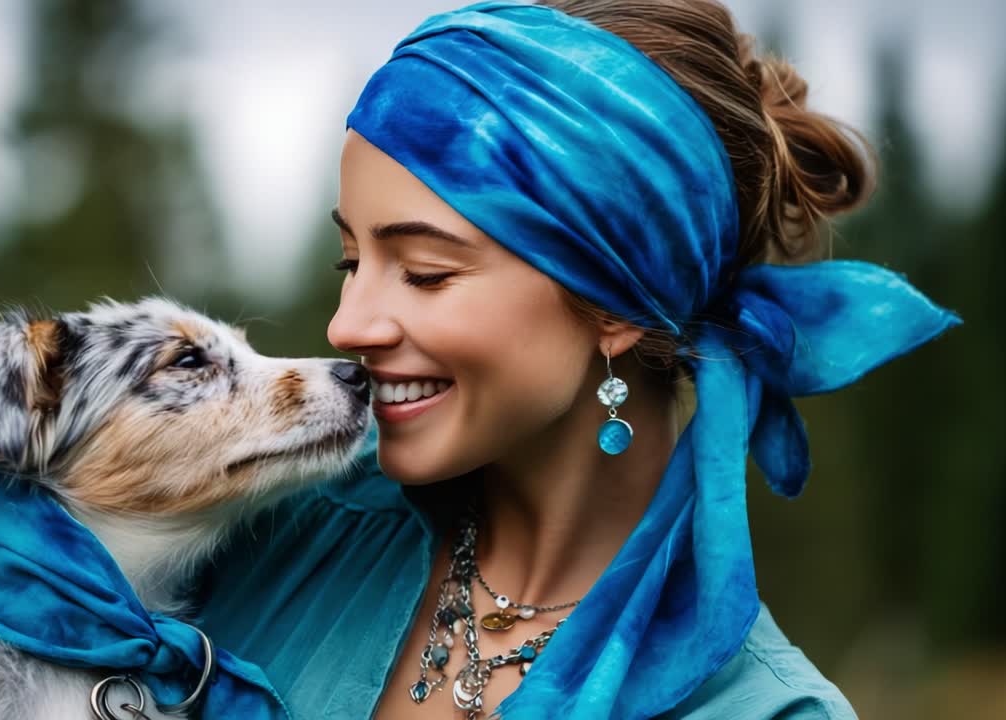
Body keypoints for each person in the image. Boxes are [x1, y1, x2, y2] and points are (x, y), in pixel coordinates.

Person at [195, 1, 962, 718]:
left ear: (614, 304)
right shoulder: (262, 531)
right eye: (350, 262)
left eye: (425, 273)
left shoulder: (762, 710)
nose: (347, 325)